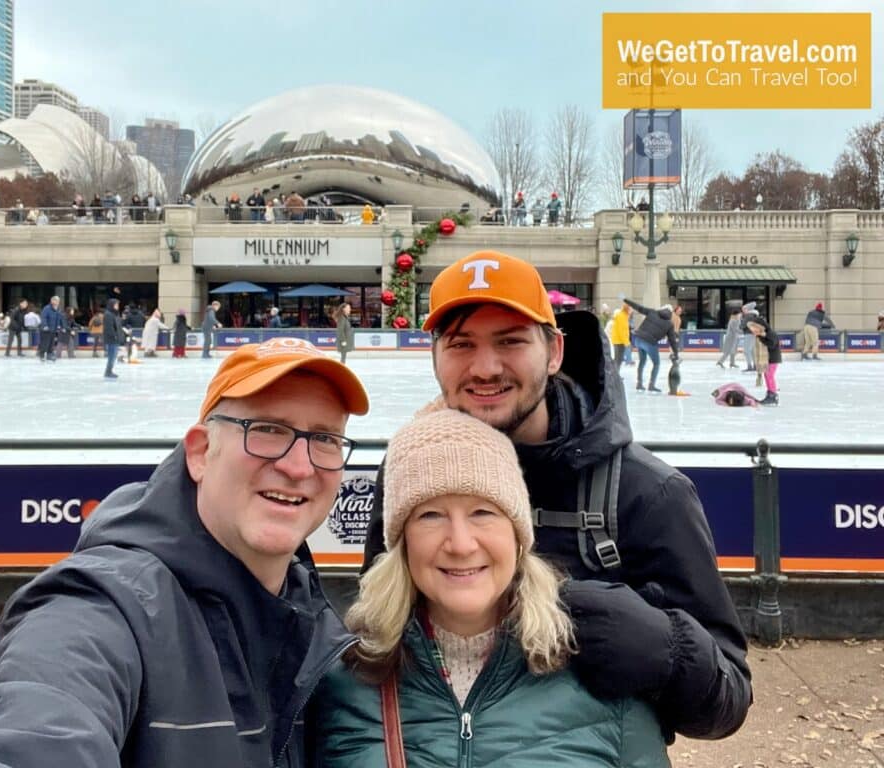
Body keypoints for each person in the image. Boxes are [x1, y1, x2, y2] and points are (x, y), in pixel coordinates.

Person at [0, 338, 370, 767]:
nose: (299, 466)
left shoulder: (316, 624)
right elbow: (39, 726)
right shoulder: (105, 606)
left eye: (325, 439)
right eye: (268, 430)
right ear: (200, 453)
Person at [361, 250, 751, 741]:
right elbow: (379, 637)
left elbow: (728, 699)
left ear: (554, 351)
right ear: (435, 354)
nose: (485, 367)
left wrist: (663, 650)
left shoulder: (645, 493)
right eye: (461, 344)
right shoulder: (410, 473)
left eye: (510, 341)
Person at [316, 407, 669, 767]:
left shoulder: (604, 671)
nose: (461, 543)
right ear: (401, 543)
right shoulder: (341, 683)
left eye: (483, 512)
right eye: (430, 515)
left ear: (517, 535)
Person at [623, 297, 674, 393]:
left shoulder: (653, 312)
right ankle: (651, 385)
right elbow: (672, 340)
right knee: (656, 363)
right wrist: (676, 352)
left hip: (638, 339)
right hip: (649, 342)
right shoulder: (669, 323)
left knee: (642, 361)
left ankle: (639, 383)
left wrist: (626, 300)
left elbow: (639, 307)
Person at [747, 315, 781, 406]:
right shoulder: (761, 335)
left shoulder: (770, 333)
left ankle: (773, 395)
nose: (754, 332)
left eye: (755, 329)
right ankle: (770, 394)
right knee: (767, 375)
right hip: (768, 359)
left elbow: (772, 344)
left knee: (769, 376)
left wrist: (762, 337)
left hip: (773, 358)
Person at [102, 298, 124, 379]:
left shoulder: (115, 314)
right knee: (111, 357)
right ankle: (108, 372)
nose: (118, 306)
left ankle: (109, 371)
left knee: (114, 357)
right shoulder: (108, 314)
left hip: (115, 339)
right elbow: (109, 328)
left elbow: (118, 325)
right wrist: (114, 336)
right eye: (116, 304)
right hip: (111, 340)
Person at [610, 300, 632, 375]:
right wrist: (626, 342)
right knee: (618, 360)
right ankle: (615, 377)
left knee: (618, 360)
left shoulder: (623, 316)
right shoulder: (622, 316)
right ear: (627, 309)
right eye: (631, 309)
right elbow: (622, 331)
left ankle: (616, 376)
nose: (631, 311)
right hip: (619, 341)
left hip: (618, 340)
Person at [38, 296, 63, 362]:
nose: (57, 302)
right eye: (55, 300)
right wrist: (45, 325)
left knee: (51, 343)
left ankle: (49, 355)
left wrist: (58, 326)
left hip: (53, 329)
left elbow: (59, 318)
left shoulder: (58, 309)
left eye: (58, 301)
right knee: (45, 343)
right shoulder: (47, 308)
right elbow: (43, 317)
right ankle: (42, 355)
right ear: (52, 301)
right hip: (46, 329)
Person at [740, 302, 759, 372]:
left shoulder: (748, 316)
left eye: (744, 309)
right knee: (751, 350)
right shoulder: (755, 315)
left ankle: (749, 366)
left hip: (748, 334)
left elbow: (742, 326)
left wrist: (741, 320)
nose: (743, 311)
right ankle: (755, 366)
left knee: (746, 350)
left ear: (748, 309)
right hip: (754, 334)